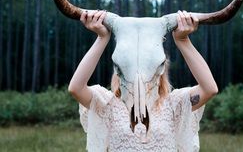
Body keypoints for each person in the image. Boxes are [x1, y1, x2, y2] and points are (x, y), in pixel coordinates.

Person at [68, 10, 218, 152]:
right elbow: (76, 88)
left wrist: (183, 40)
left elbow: (209, 89)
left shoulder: (174, 105)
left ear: (161, 68)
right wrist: (102, 38)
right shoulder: (108, 105)